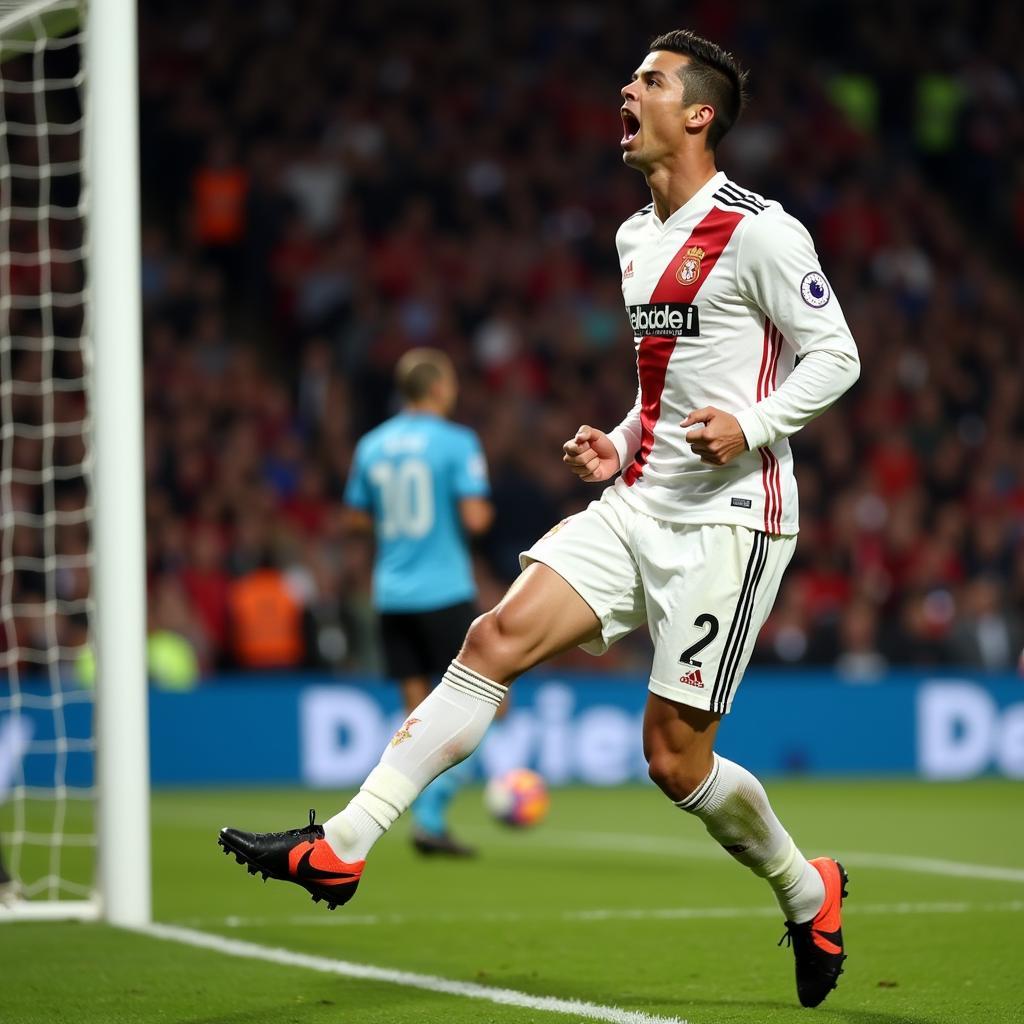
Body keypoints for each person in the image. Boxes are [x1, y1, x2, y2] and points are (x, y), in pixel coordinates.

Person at [219, 29, 860, 1009]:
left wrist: (754, 423)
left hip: (733, 518)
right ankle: (341, 847)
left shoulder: (759, 230)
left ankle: (806, 890)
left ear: (696, 114)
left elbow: (836, 354)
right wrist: (616, 433)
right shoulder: (634, 236)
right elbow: (671, 382)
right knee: (492, 636)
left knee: (672, 761)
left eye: (648, 81)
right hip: (639, 499)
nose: (626, 89)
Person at [343, 347, 494, 855]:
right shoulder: (456, 442)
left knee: (418, 716)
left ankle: (413, 816)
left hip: (392, 594)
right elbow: (474, 518)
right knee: (490, 698)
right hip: (445, 590)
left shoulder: (371, 445)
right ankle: (430, 817)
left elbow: (356, 517)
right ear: (436, 388)